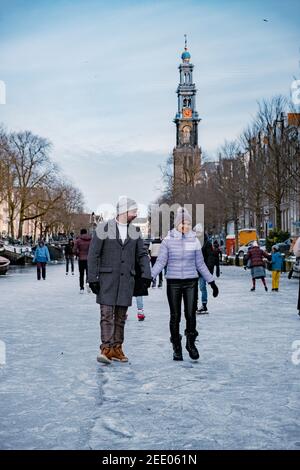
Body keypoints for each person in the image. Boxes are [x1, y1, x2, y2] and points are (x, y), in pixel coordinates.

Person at [88, 196, 152, 364]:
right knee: (107, 314)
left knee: (121, 316)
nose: (136, 213)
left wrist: (146, 274)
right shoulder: (103, 228)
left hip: (126, 280)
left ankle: (117, 348)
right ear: (124, 211)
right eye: (134, 210)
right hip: (107, 279)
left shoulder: (136, 232)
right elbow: (93, 255)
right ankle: (106, 348)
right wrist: (92, 278)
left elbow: (142, 255)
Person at [151, 208, 219, 362]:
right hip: (173, 282)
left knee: (190, 314)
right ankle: (176, 346)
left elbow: (200, 264)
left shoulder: (194, 240)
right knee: (175, 316)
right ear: (176, 224)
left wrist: (211, 282)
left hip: (191, 281)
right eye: (183, 223)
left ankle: (190, 343)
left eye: (188, 223)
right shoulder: (168, 241)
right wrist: (150, 276)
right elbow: (161, 261)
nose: (186, 226)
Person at [197, 234, 220, 314]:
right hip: (196, 269)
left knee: (202, 287)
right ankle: (194, 304)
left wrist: (208, 268)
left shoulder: (207, 243)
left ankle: (204, 304)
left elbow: (210, 257)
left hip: (204, 268)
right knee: (195, 287)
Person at [74, 228, 92, 293]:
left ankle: (81, 288)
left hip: (81, 259)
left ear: (81, 233)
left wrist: (78, 254)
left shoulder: (78, 240)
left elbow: (74, 250)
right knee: (88, 273)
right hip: (89, 259)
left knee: (81, 274)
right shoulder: (91, 240)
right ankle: (88, 283)